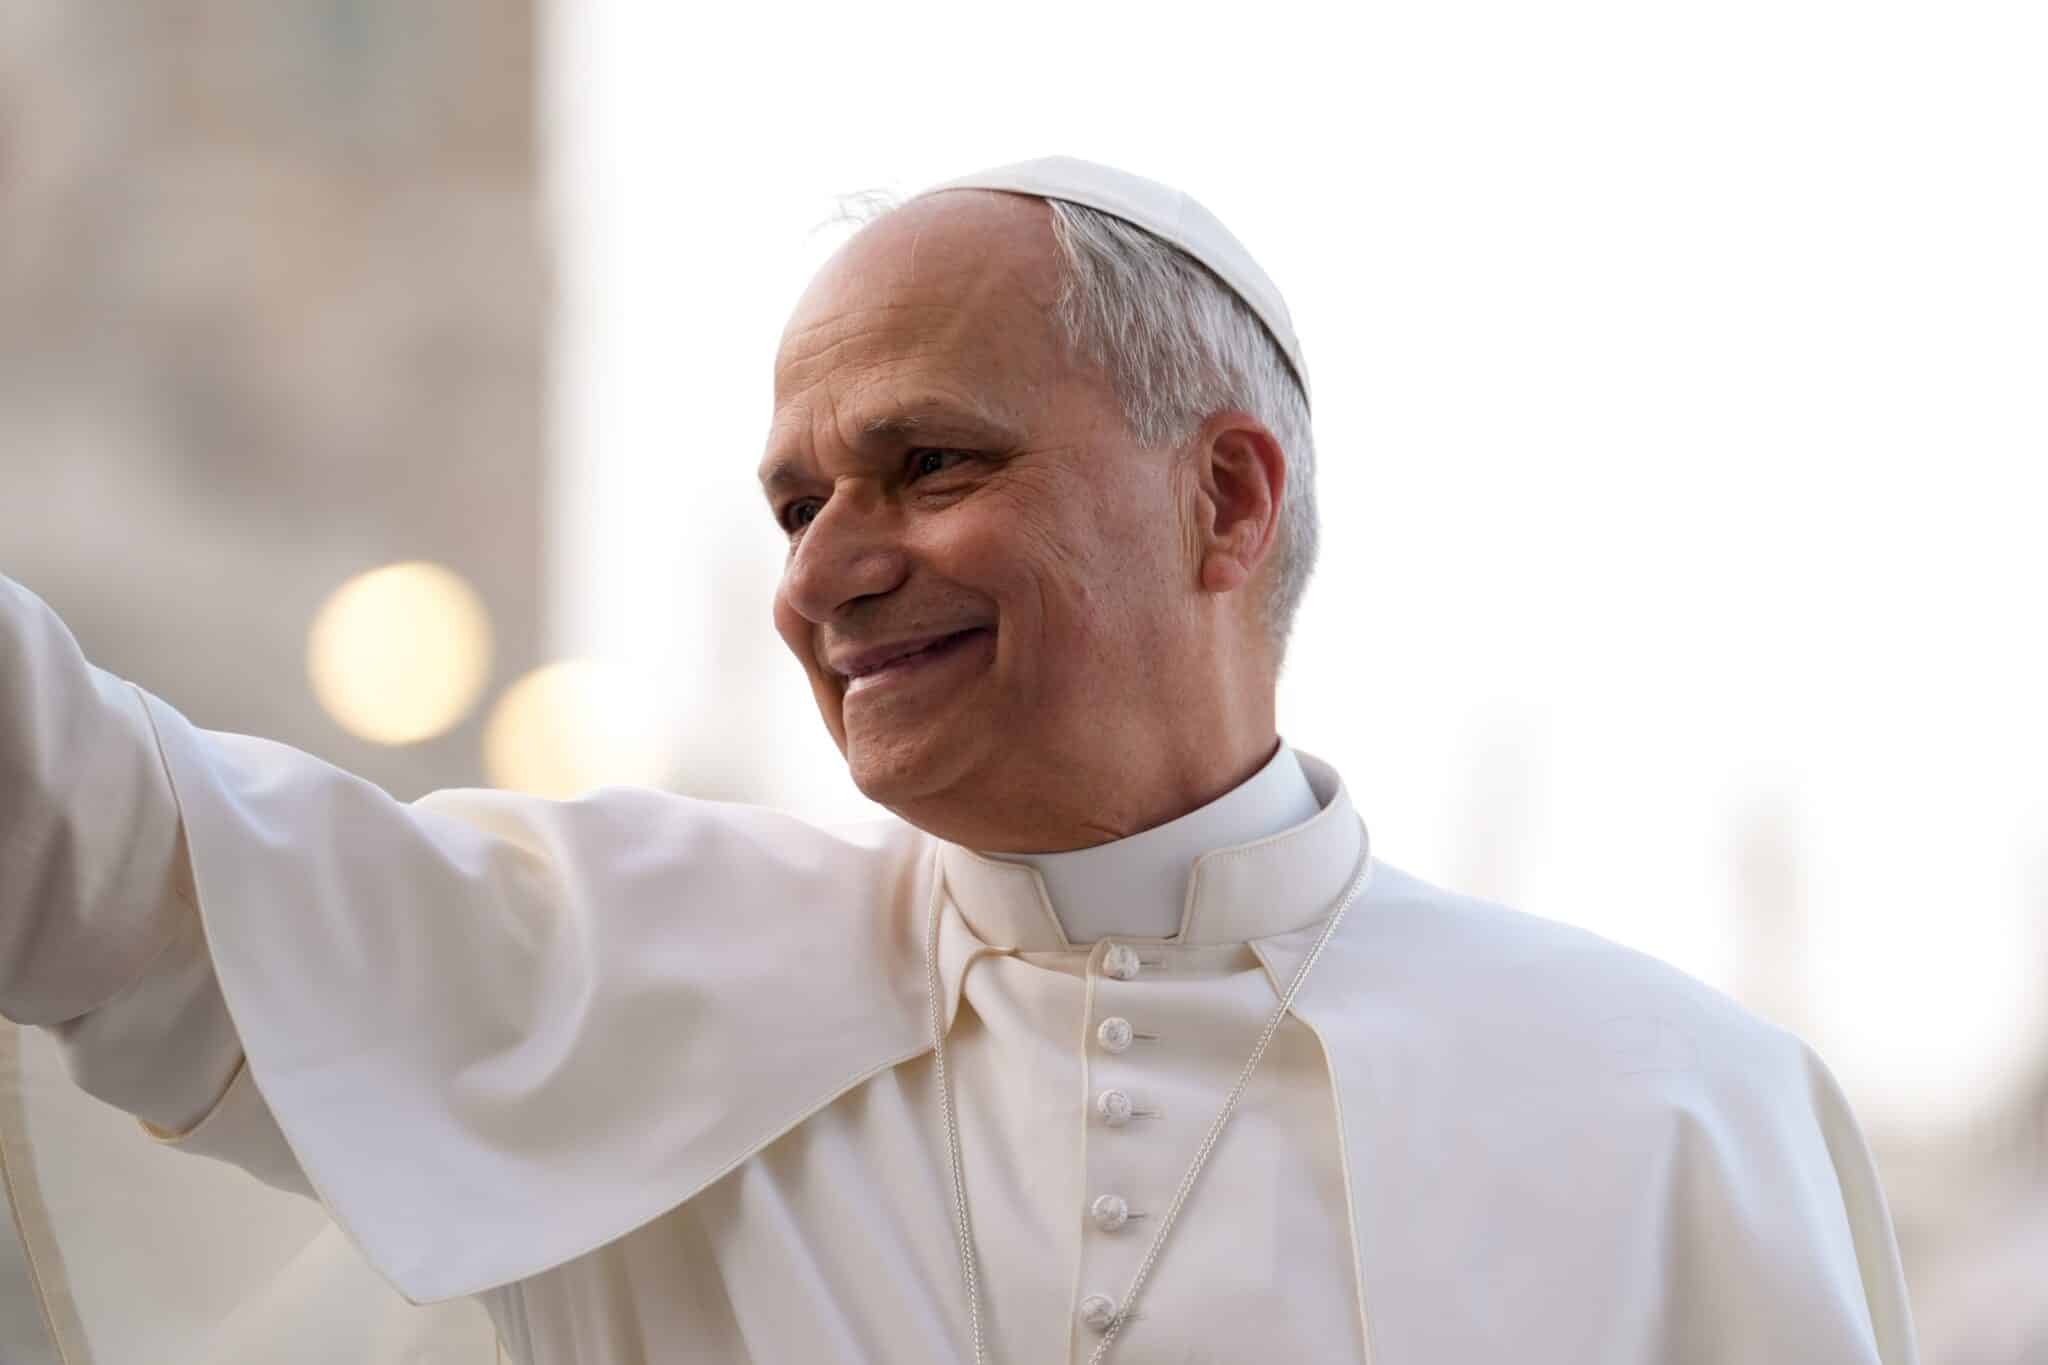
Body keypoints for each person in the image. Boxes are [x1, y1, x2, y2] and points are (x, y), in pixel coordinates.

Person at [0, 156, 1917, 1364]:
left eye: (930, 463)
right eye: (791, 502)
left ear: (1227, 498)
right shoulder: (610, 961)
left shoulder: (1676, 1114)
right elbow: (80, 826)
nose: (823, 575)